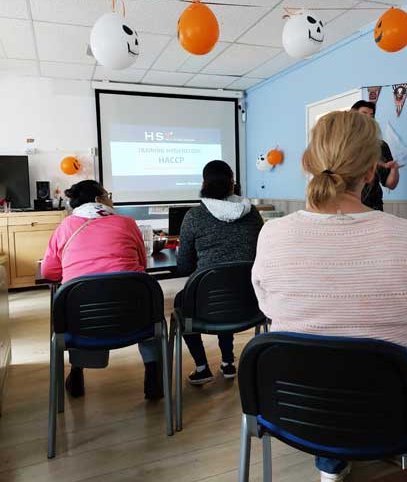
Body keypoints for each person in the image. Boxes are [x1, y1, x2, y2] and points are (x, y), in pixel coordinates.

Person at [252, 110, 407, 482]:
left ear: (308, 164)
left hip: (294, 408)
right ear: (372, 172)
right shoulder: (405, 236)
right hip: (390, 411)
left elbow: (268, 308)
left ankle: (330, 465)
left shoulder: (272, 235)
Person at [42, 180, 161, 400]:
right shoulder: (127, 222)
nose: (111, 200)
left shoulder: (65, 227)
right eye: (109, 195)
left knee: (78, 304)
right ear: (99, 199)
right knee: (148, 304)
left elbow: (49, 272)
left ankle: (77, 371)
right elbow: (141, 263)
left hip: (84, 319)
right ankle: (153, 375)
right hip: (135, 317)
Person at [176, 160, 263, 385]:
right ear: (232, 183)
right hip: (249, 300)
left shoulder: (194, 217)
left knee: (184, 301)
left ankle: (202, 366)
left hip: (209, 300)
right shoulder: (252, 214)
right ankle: (227, 362)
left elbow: (184, 266)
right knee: (228, 286)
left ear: (204, 183)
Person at [351, 100, 403, 210]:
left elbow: (391, 185)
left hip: (374, 207)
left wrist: (394, 169)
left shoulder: (381, 146)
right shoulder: (342, 144)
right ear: (353, 117)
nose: (369, 118)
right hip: (347, 207)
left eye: (372, 115)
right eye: (364, 114)